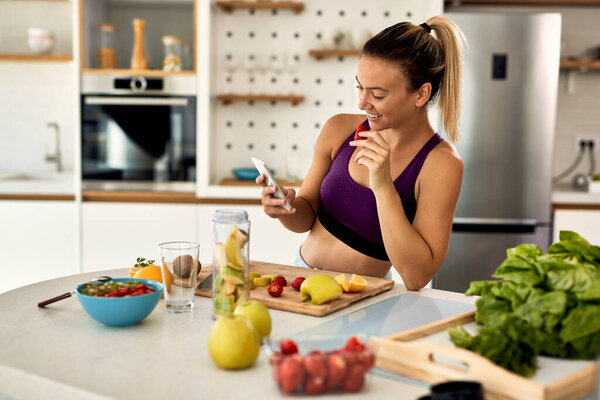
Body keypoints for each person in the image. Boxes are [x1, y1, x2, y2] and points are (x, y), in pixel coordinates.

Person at [256, 17, 466, 291]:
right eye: (360, 87)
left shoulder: (440, 164)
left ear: (421, 94)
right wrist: (284, 208)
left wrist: (382, 185)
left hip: (364, 298)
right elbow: (305, 219)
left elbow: (417, 276)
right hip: (301, 281)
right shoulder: (339, 129)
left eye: (377, 94)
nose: (362, 103)